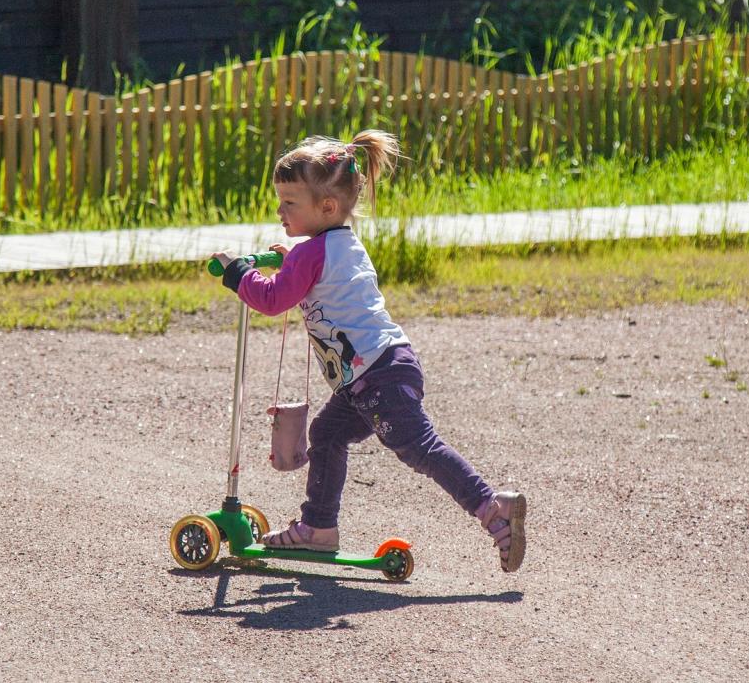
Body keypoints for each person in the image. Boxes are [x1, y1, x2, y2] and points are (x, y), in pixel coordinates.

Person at [211, 129, 527, 573]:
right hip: (382, 367)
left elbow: (270, 300)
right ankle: (318, 528)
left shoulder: (310, 255)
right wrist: (289, 259)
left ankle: (493, 508)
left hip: (374, 375)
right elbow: (313, 274)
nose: (280, 211)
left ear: (326, 207)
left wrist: (239, 275)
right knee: (328, 434)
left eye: (289, 203)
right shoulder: (342, 244)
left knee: (419, 447)